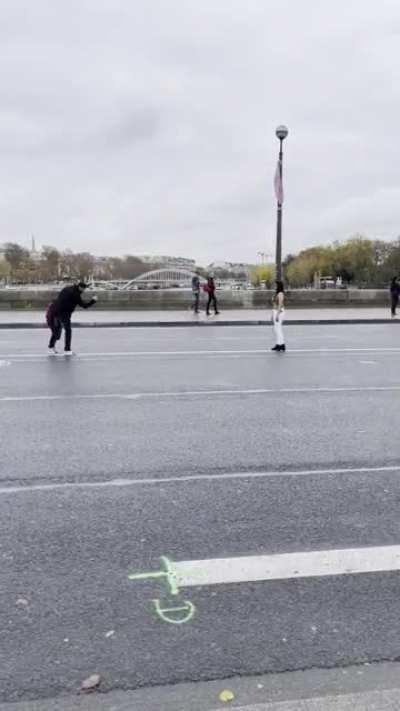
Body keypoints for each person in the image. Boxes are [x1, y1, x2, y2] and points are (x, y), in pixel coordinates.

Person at [47, 281, 97, 355]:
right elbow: (84, 306)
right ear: (80, 288)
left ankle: (51, 347)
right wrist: (93, 301)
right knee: (68, 330)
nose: (84, 290)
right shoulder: (75, 294)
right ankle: (67, 350)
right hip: (64, 313)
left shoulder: (67, 288)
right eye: (83, 289)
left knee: (57, 330)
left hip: (55, 310)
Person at [271, 280, 285, 352]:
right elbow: (274, 304)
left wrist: (277, 314)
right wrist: (272, 314)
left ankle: (281, 345)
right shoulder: (276, 293)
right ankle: (278, 344)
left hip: (279, 312)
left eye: (275, 285)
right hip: (275, 311)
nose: (274, 286)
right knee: (276, 329)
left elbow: (280, 304)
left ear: (278, 286)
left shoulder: (280, 294)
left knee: (278, 329)